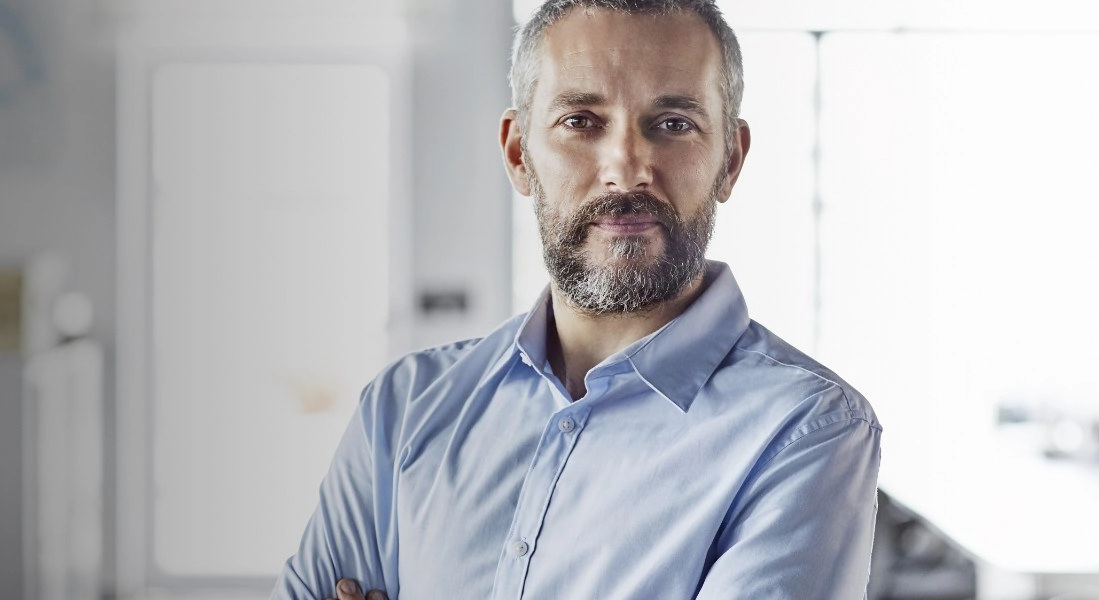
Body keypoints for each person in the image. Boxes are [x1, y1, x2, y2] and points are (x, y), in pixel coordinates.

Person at [270, 1, 882, 598]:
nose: (626, 167)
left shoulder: (807, 432)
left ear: (730, 160)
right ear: (518, 154)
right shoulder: (402, 410)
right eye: (581, 121)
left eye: (673, 124)